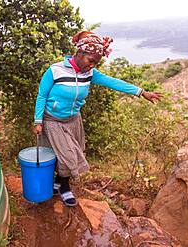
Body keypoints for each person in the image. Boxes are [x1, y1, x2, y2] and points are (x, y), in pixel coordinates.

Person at [33, 31, 162, 207]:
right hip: (53, 119)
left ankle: (58, 183)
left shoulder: (91, 73)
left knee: (73, 152)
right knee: (68, 156)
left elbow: (114, 82)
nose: (92, 65)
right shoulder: (55, 70)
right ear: (79, 53)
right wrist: (38, 121)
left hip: (73, 119)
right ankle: (64, 187)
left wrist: (141, 92)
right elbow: (41, 96)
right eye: (90, 60)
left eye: (96, 62)